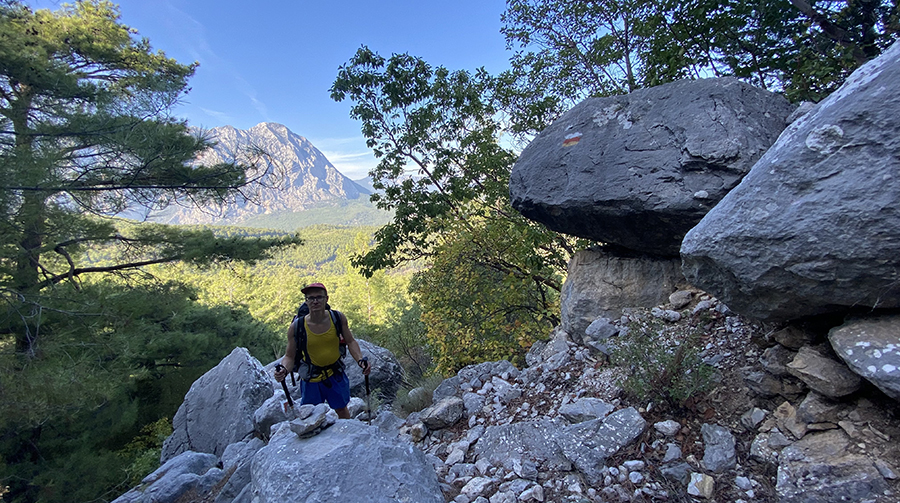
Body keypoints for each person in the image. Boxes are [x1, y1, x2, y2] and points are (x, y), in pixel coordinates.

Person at [274, 282, 371, 419]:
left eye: (319, 297)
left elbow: (350, 341)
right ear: (306, 301)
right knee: (311, 416)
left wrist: (360, 360)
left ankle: (346, 437)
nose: (315, 301)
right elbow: (290, 356)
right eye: (311, 298)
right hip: (311, 378)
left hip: (335, 373)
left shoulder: (338, 318)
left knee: (342, 410)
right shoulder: (297, 327)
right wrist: (283, 370)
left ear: (327, 299)